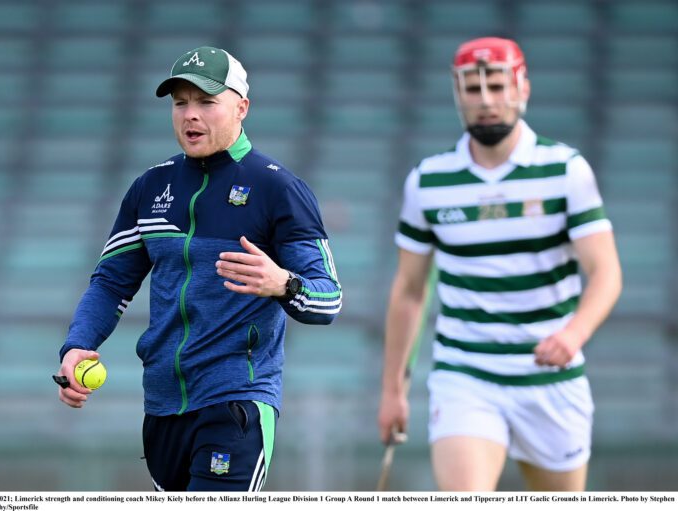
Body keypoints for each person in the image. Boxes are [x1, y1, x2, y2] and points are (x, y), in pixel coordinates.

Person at [54, 46, 342, 491]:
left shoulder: (278, 189)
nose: (191, 115)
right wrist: (77, 345)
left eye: (206, 102)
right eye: (180, 102)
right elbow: (112, 282)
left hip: (237, 403)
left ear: (241, 107)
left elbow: (328, 299)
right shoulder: (150, 188)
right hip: (162, 409)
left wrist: (282, 283)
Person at [377, 37, 622, 491]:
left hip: (550, 378)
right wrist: (393, 390)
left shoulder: (566, 170)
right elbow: (409, 290)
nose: (486, 100)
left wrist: (574, 334)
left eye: (497, 85)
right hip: (465, 375)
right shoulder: (427, 181)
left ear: (522, 88)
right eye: (473, 89)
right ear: (457, 94)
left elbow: (606, 272)